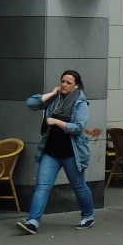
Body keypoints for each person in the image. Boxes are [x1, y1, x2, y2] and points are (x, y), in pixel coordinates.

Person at [18, 70, 94, 234]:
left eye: (68, 83)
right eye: (62, 82)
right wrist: (52, 93)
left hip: (71, 153)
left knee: (79, 186)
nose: (64, 85)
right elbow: (31, 103)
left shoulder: (80, 103)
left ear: (76, 86)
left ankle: (88, 216)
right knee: (42, 187)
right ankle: (33, 222)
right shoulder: (55, 99)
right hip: (51, 152)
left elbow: (78, 127)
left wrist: (56, 122)